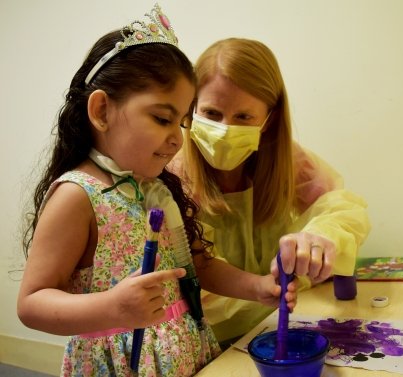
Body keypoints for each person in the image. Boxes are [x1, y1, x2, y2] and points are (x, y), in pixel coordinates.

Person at [17, 8, 297, 377]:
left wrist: (258, 287)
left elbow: (199, 266)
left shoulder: (158, 187)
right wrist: (112, 307)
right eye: (163, 119)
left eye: (182, 122)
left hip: (188, 354)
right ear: (101, 110)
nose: (177, 139)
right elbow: (32, 304)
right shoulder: (77, 196)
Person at [168, 37, 371, 345]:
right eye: (211, 114)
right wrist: (265, 288)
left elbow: (341, 208)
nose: (225, 129)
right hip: (207, 344)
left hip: (279, 324)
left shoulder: (286, 161)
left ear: (269, 118)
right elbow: (198, 278)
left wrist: (320, 236)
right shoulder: (171, 175)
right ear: (191, 107)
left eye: (243, 117)